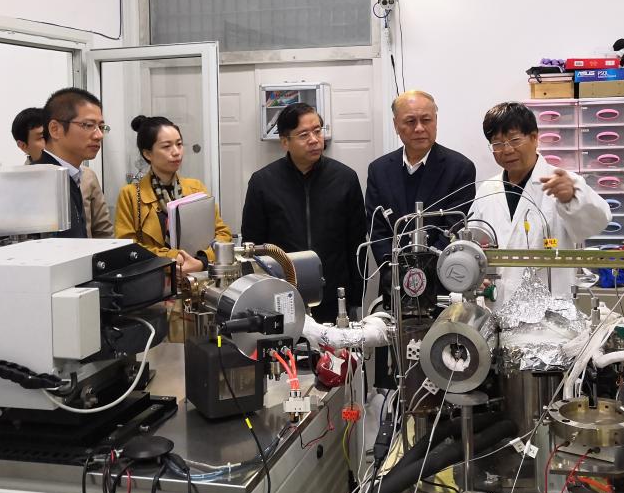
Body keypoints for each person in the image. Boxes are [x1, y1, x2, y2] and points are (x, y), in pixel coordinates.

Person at [469, 101, 610, 300]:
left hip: (549, 309)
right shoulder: (487, 190)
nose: (507, 150)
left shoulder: (564, 183)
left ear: (534, 138)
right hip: (497, 306)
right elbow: (474, 243)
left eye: (515, 140)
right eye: (497, 143)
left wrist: (571, 198)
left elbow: (598, 222)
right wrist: (478, 273)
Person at [241, 103, 366, 323]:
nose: (314, 140)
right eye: (304, 134)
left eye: (317, 131)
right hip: (281, 295)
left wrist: (356, 297)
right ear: (285, 142)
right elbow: (253, 246)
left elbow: (357, 243)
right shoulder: (263, 183)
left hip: (334, 296)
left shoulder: (345, 178)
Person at [364, 90, 476, 300]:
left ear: (436, 121)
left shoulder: (460, 168)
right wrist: (397, 272)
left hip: (442, 283)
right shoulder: (379, 170)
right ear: (396, 125)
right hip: (394, 283)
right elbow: (377, 231)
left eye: (426, 120)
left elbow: (454, 228)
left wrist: (422, 274)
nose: (419, 128)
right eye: (410, 121)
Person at [114, 115, 232, 272]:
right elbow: (128, 247)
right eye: (166, 146)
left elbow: (223, 234)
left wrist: (202, 260)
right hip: (155, 278)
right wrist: (174, 258)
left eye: (179, 144)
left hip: (197, 278)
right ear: (148, 154)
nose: (176, 152)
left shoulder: (196, 188)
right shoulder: (131, 194)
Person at [34, 88, 113, 239]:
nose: (99, 135)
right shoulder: (38, 182)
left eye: (101, 127)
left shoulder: (72, 176)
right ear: (55, 129)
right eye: (88, 125)